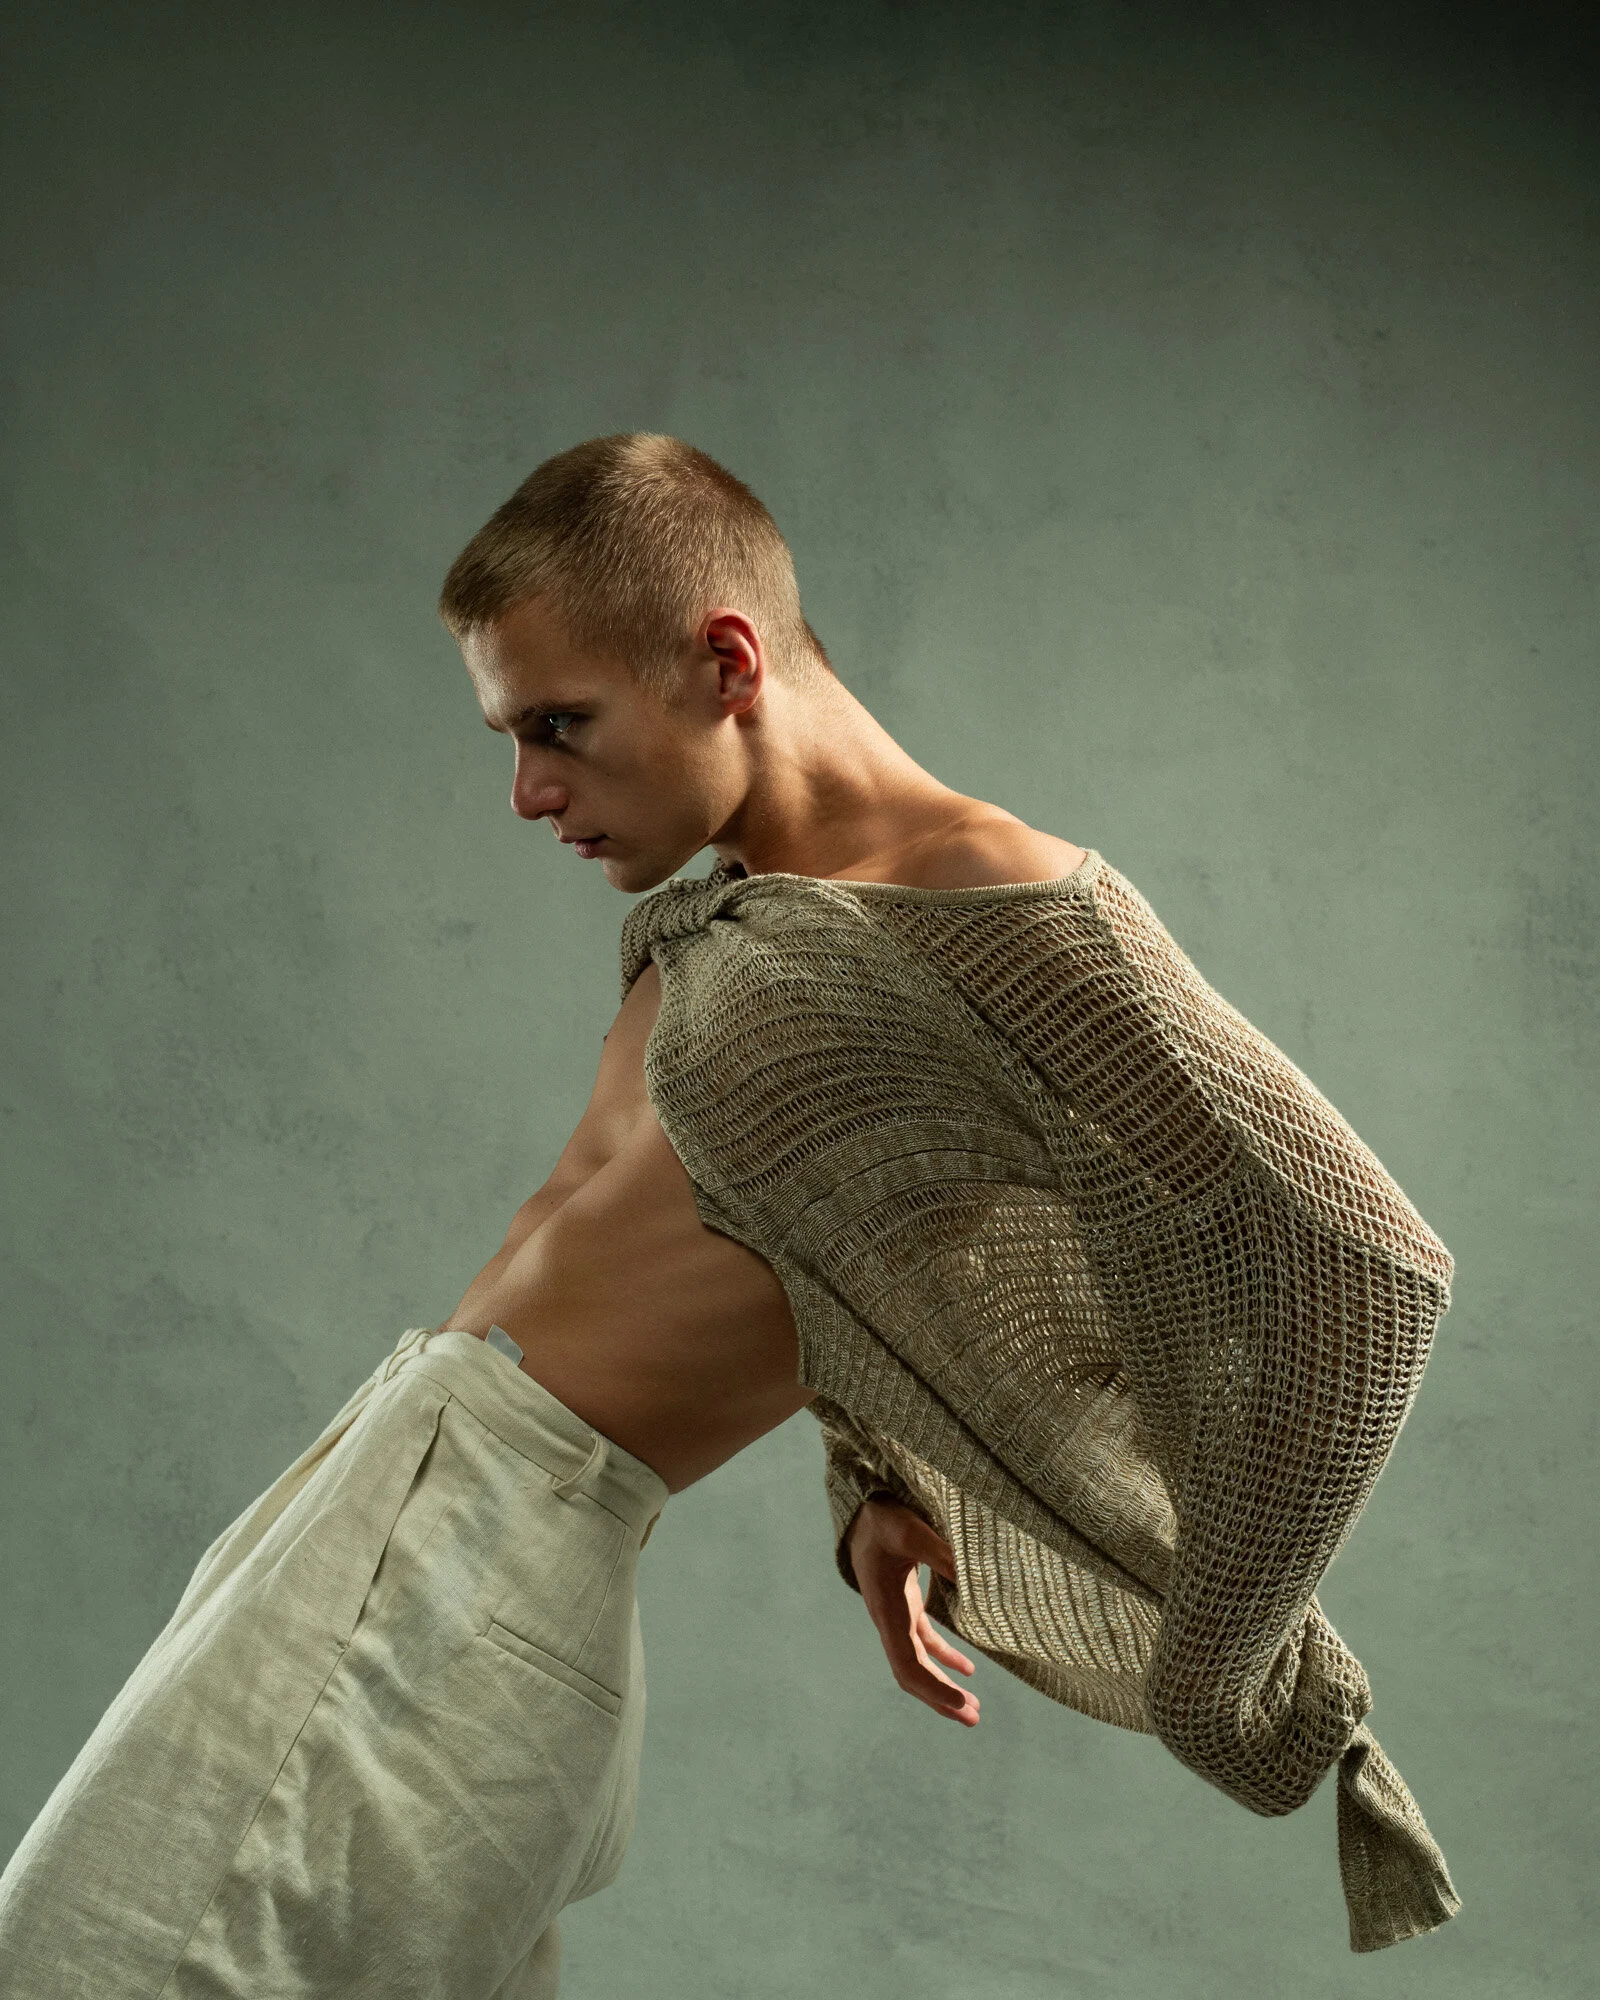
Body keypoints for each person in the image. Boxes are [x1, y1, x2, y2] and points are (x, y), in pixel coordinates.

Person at [0, 433, 1457, 1997]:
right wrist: (880, 1487)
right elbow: (835, 1245)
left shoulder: (991, 900)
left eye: (559, 724)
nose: (526, 790)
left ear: (726, 660)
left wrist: (1217, 1663)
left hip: (471, 1571)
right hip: (408, 1529)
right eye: (510, 735)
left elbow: (1360, 1261)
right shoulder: (726, 908)